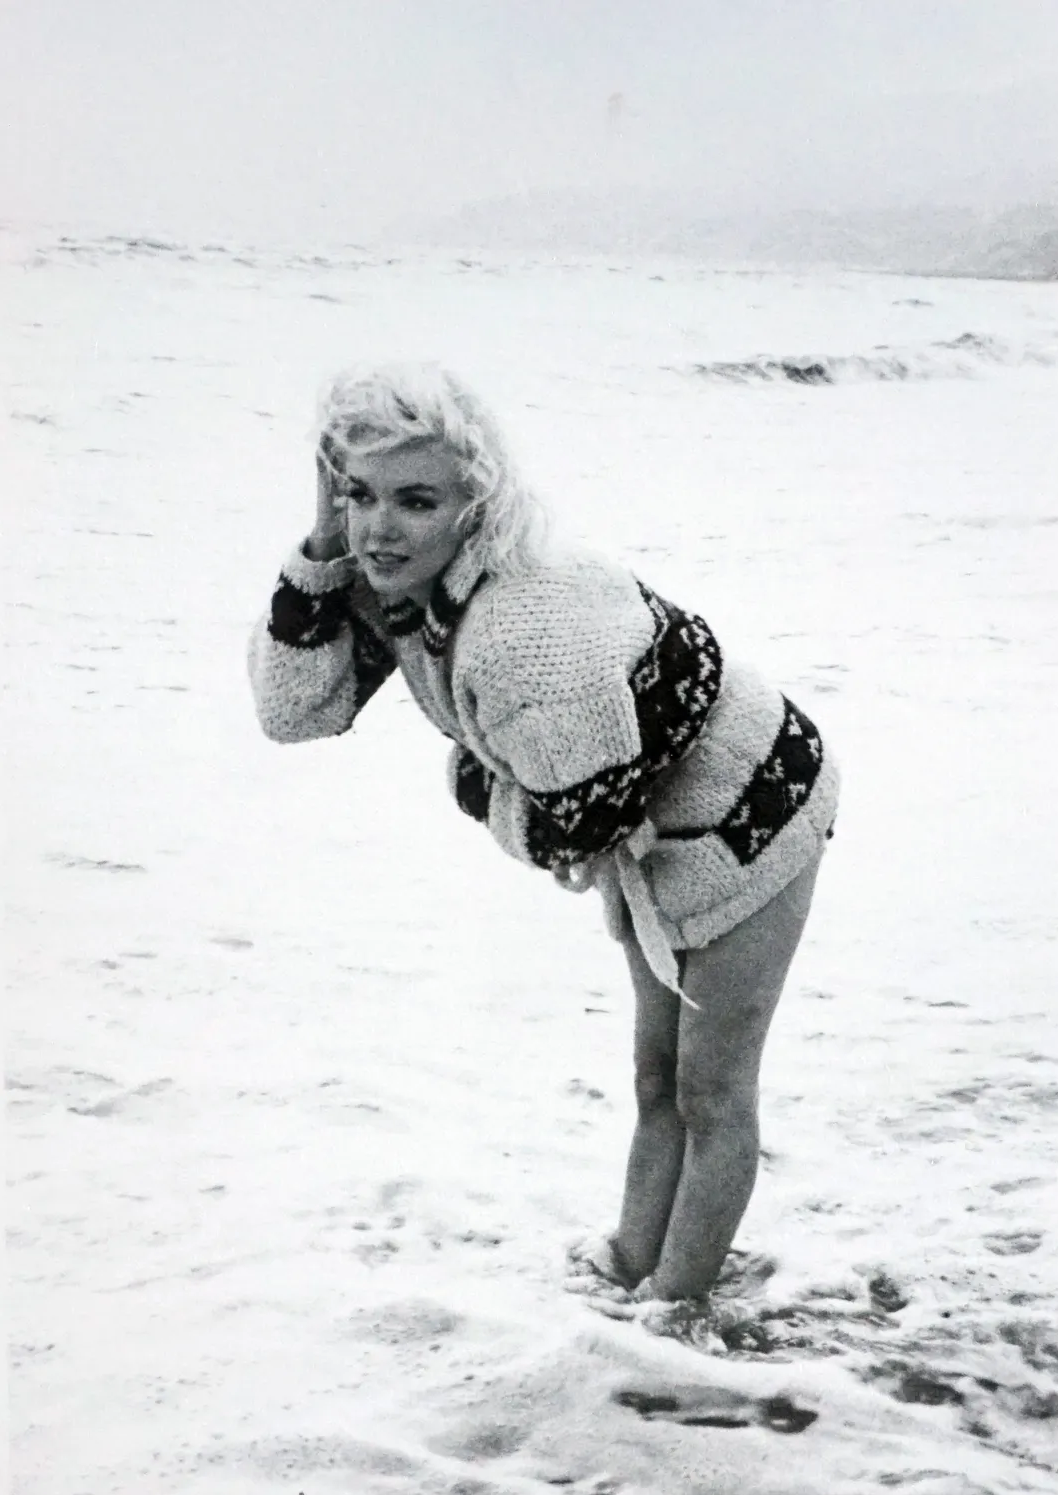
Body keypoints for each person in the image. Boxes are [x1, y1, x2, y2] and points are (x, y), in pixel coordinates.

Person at [248, 363, 840, 1303]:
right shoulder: (393, 583)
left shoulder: (523, 629)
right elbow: (294, 711)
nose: (378, 527)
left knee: (711, 1090)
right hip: (655, 824)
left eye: (414, 499)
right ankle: (631, 1260)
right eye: (358, 494)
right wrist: (320, 548)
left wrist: (473, 783)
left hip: (754, 808)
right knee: (658, 1077)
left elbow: (575, 830)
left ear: (474, 505)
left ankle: (676, 1313)